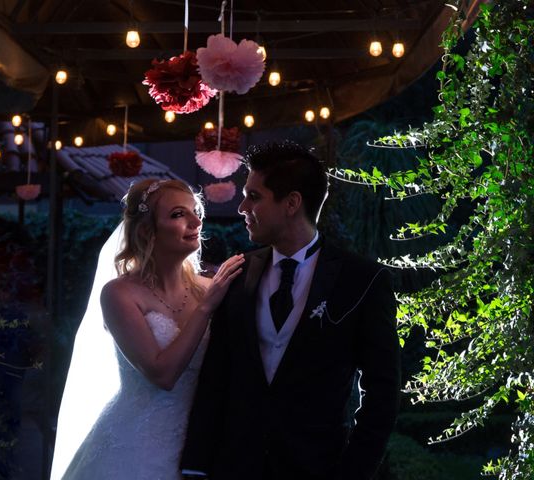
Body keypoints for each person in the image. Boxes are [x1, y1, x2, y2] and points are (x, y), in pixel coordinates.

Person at [181, 141, 401, 480]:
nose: (241, 207)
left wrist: (352, 472)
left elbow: (383, 393)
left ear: (292, 203)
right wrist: (195, 466)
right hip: (236, 467)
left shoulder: (362, 281)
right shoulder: (238, 273)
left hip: (316, 467)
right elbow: (216, 376)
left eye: (254, 196)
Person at [50, 178, 244, 480]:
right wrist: (206, 308)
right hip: (135, 446)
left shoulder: (210, 287)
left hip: (201, 442)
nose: (196, 221)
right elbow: (161, 374)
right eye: (179, 215)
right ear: (147, 230)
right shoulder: (119, 294)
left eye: (196, 212)